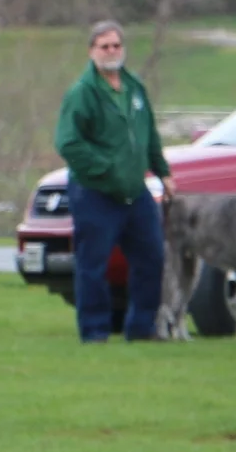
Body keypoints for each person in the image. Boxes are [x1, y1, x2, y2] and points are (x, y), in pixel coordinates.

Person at [54, 20, 175, 342]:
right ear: (92, 51)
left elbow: (148, 136)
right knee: (93, 265)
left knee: (152, 257)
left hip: (136, 193)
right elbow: (68, 143)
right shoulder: (83, 93)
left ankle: (142, 327)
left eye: (116, 45)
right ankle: (95, 331)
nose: (111, 51)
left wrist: (162, 172)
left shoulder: (135, 89)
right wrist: (105, 169)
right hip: (95, 193)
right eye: (104, 46)